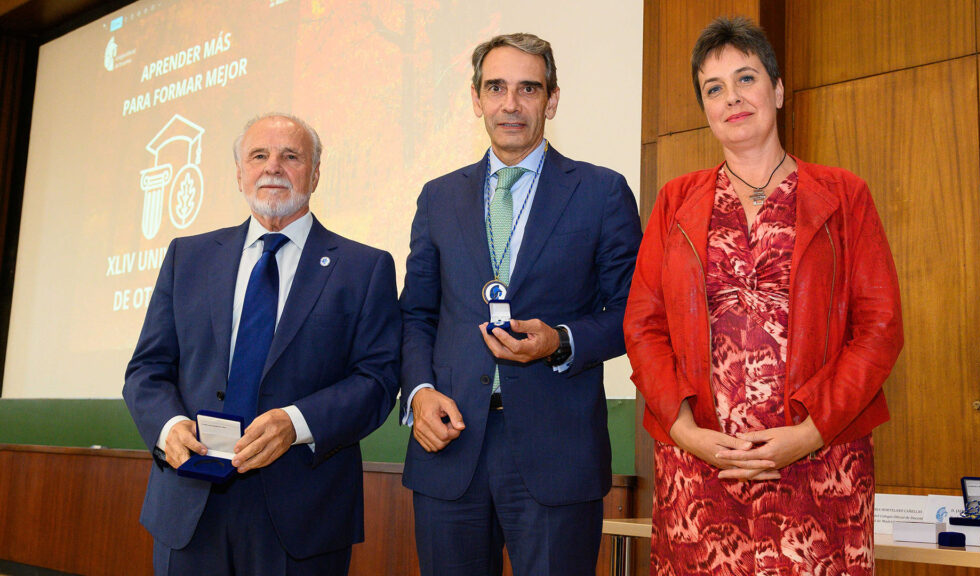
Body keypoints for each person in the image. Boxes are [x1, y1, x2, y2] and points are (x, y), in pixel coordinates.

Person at [623, 16, 903, 575]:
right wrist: (685, 432)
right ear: (705, 108)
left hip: (820, 472)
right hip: (700, 472)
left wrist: (809, 433)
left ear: (776, 90)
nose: (732, 98)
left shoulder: (844, 195)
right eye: (714, 88)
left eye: (746, 78)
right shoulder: (675, 201)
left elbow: (879, 327)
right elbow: (643, 326)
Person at [399, 32, 642, 576]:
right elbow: (415, 314)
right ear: (476, 98)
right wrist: (418, 394)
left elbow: (631, 314)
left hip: (558, 452)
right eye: (497, 88)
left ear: (552, 100)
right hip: (450, 445)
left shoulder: (602, 193)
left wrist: (560, 341)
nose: (511, 104)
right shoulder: (438, 197)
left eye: (528, 89)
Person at [123, 113, 401, 575]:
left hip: (303, 515)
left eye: (291, 156)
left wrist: (296, 423)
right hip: (190, 503)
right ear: (239, 173)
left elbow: (377, 381)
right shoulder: (186, 258)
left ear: (314, 173)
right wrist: (168, 426)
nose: (274, 167)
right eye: (259, 156)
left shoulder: (364, 267)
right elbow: (147, 369)